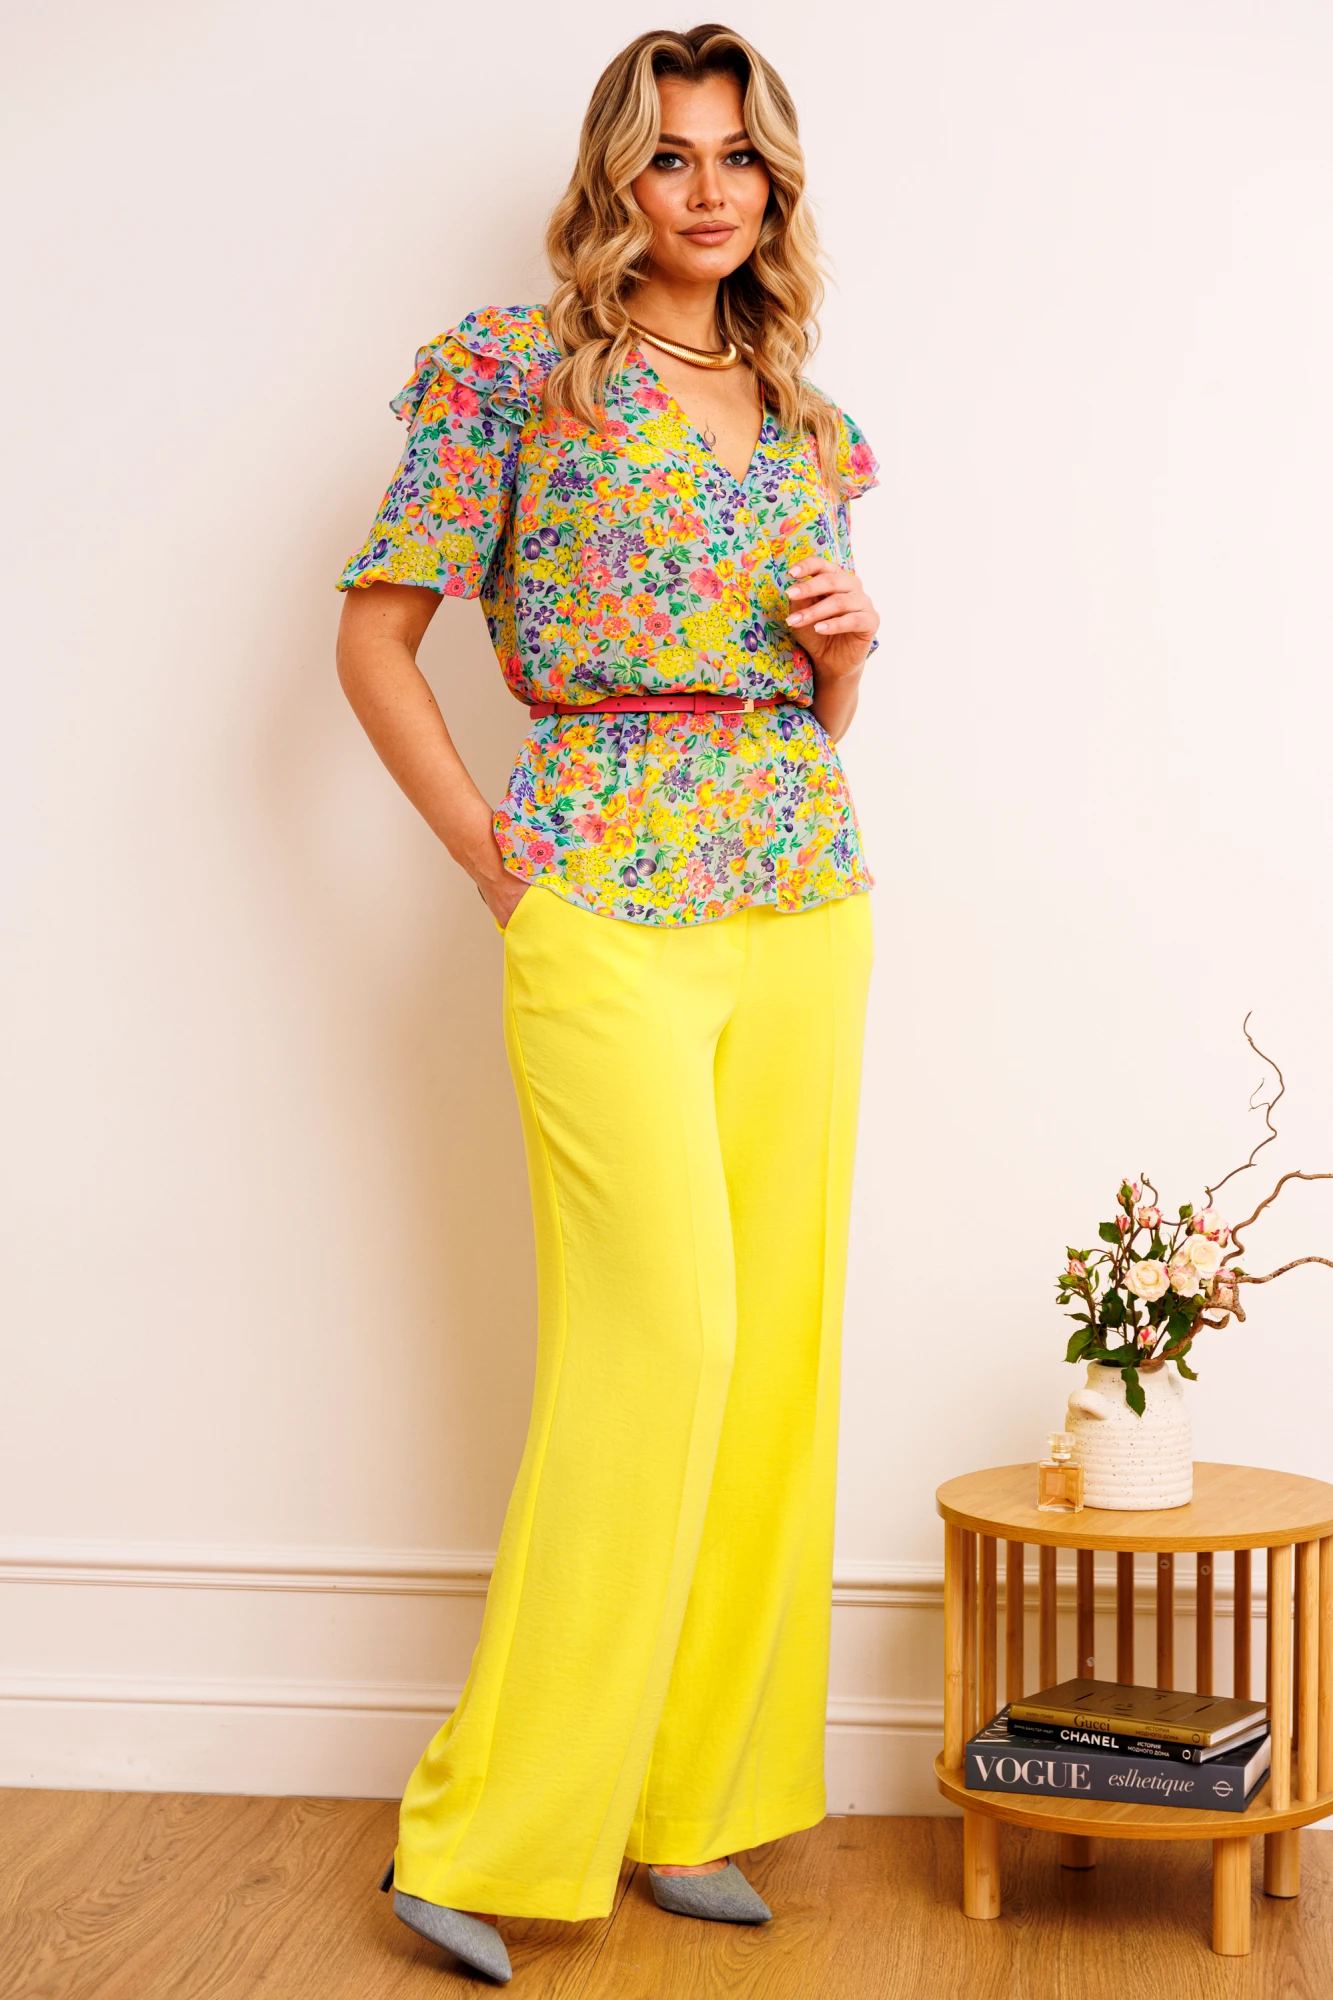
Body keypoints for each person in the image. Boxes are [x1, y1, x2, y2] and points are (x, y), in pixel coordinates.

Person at [336, 22, 880, 1985]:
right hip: (598, 888)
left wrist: (848, 656)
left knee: (770, 1355)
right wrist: (494, 855)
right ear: (615, 180)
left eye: (740, 159)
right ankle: (483, 1829)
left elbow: (804, 705)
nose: (708, 190)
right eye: (671, 156)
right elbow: (376, 638)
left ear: (775, 187)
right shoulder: (512, 375)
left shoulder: (808, 419)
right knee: (661, 1336)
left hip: (799, 884)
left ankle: (691, 1800)